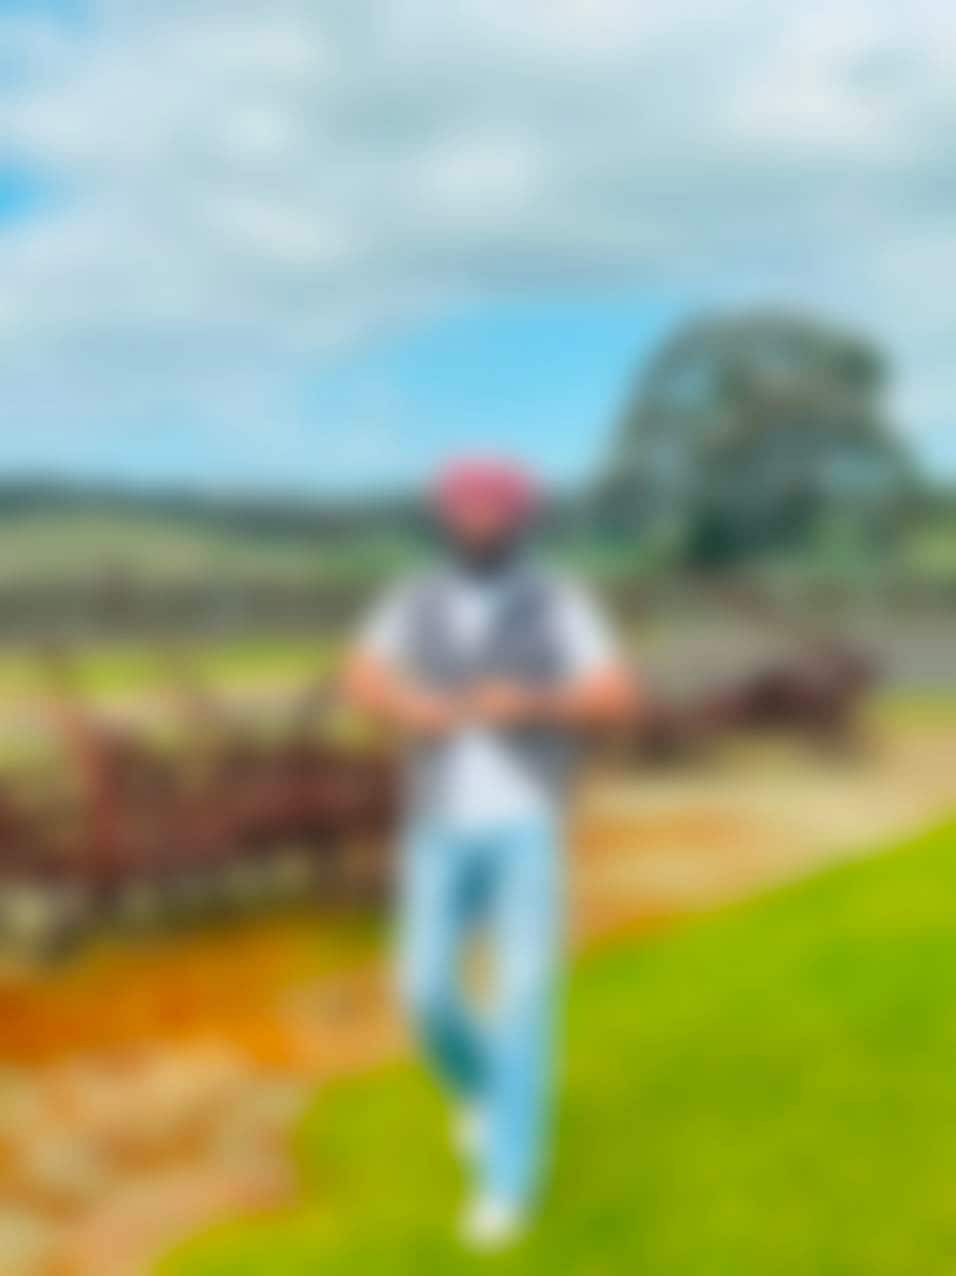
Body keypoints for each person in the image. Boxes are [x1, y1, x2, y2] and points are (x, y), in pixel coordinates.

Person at [344, 456, 634, 1248]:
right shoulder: (412, 599)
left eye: (494, 509)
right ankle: (479, 1088)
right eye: (466, 508)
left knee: (523, 1001)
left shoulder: (561, 601)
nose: (479, 521)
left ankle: (507, 1185)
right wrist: (404, 703)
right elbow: (362, 675)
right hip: (436, 824)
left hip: (525, 826)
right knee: (423, 991)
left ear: (519, 519)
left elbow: (615, 694)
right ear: (446, 517)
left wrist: (534, 701)